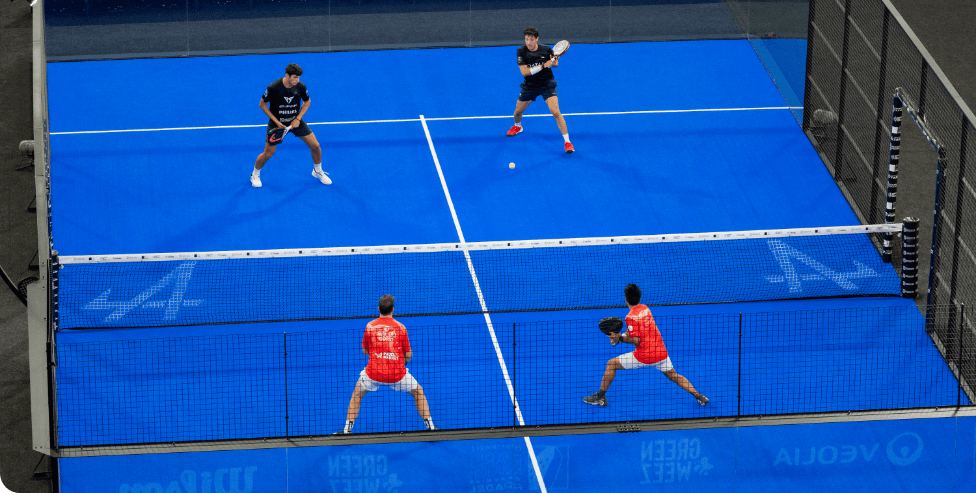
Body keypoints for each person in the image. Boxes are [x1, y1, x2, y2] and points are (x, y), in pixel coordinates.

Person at [584, 284, 708, 407]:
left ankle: (599, 397)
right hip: (661, 352)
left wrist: (620, 338)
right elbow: (635, 330)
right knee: (674, 375)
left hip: (645, 356)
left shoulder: (630, 317)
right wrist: (620, 336)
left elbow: (636, 340)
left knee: (611, 364)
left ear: (625, 299)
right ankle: (699, 396)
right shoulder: (645, 309)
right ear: (639, 297)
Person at [338, 294, 435, 434]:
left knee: (357, 394)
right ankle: (431, 427)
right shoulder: (401, 328)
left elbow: (365, 351)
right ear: (393, 310)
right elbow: (408, 355)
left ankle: (347, 430)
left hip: (373, 375)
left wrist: (379, 352)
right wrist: (402, 360)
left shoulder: (370, 326)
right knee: (418, 392)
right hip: (397, 375)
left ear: (378, 308)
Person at [250, 63, 331, 188]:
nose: (297, 80)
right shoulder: (273, 87)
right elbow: (262, 104)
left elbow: (307, 101)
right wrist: (276, 122)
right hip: (278, 124)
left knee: (315, 146)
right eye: (294, 77)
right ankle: (255, 174)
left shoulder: (300, 86)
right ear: (287, 75)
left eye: (298, 77)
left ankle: (317, 171)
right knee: (268, 153)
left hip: (295, 121)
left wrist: (298, 118)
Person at [505, 27, 574, 154]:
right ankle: (518, 126)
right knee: (517, 112)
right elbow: (525, 72)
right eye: (526, 39)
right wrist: (543, 65)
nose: (528, 43)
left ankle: (567, 142)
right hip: (530, 85)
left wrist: (552, 62)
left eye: (531, 40)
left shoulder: (546, 49)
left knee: (556, 112)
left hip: (547, 84)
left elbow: (556, 64)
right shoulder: (521, 51)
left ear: (537, 39)